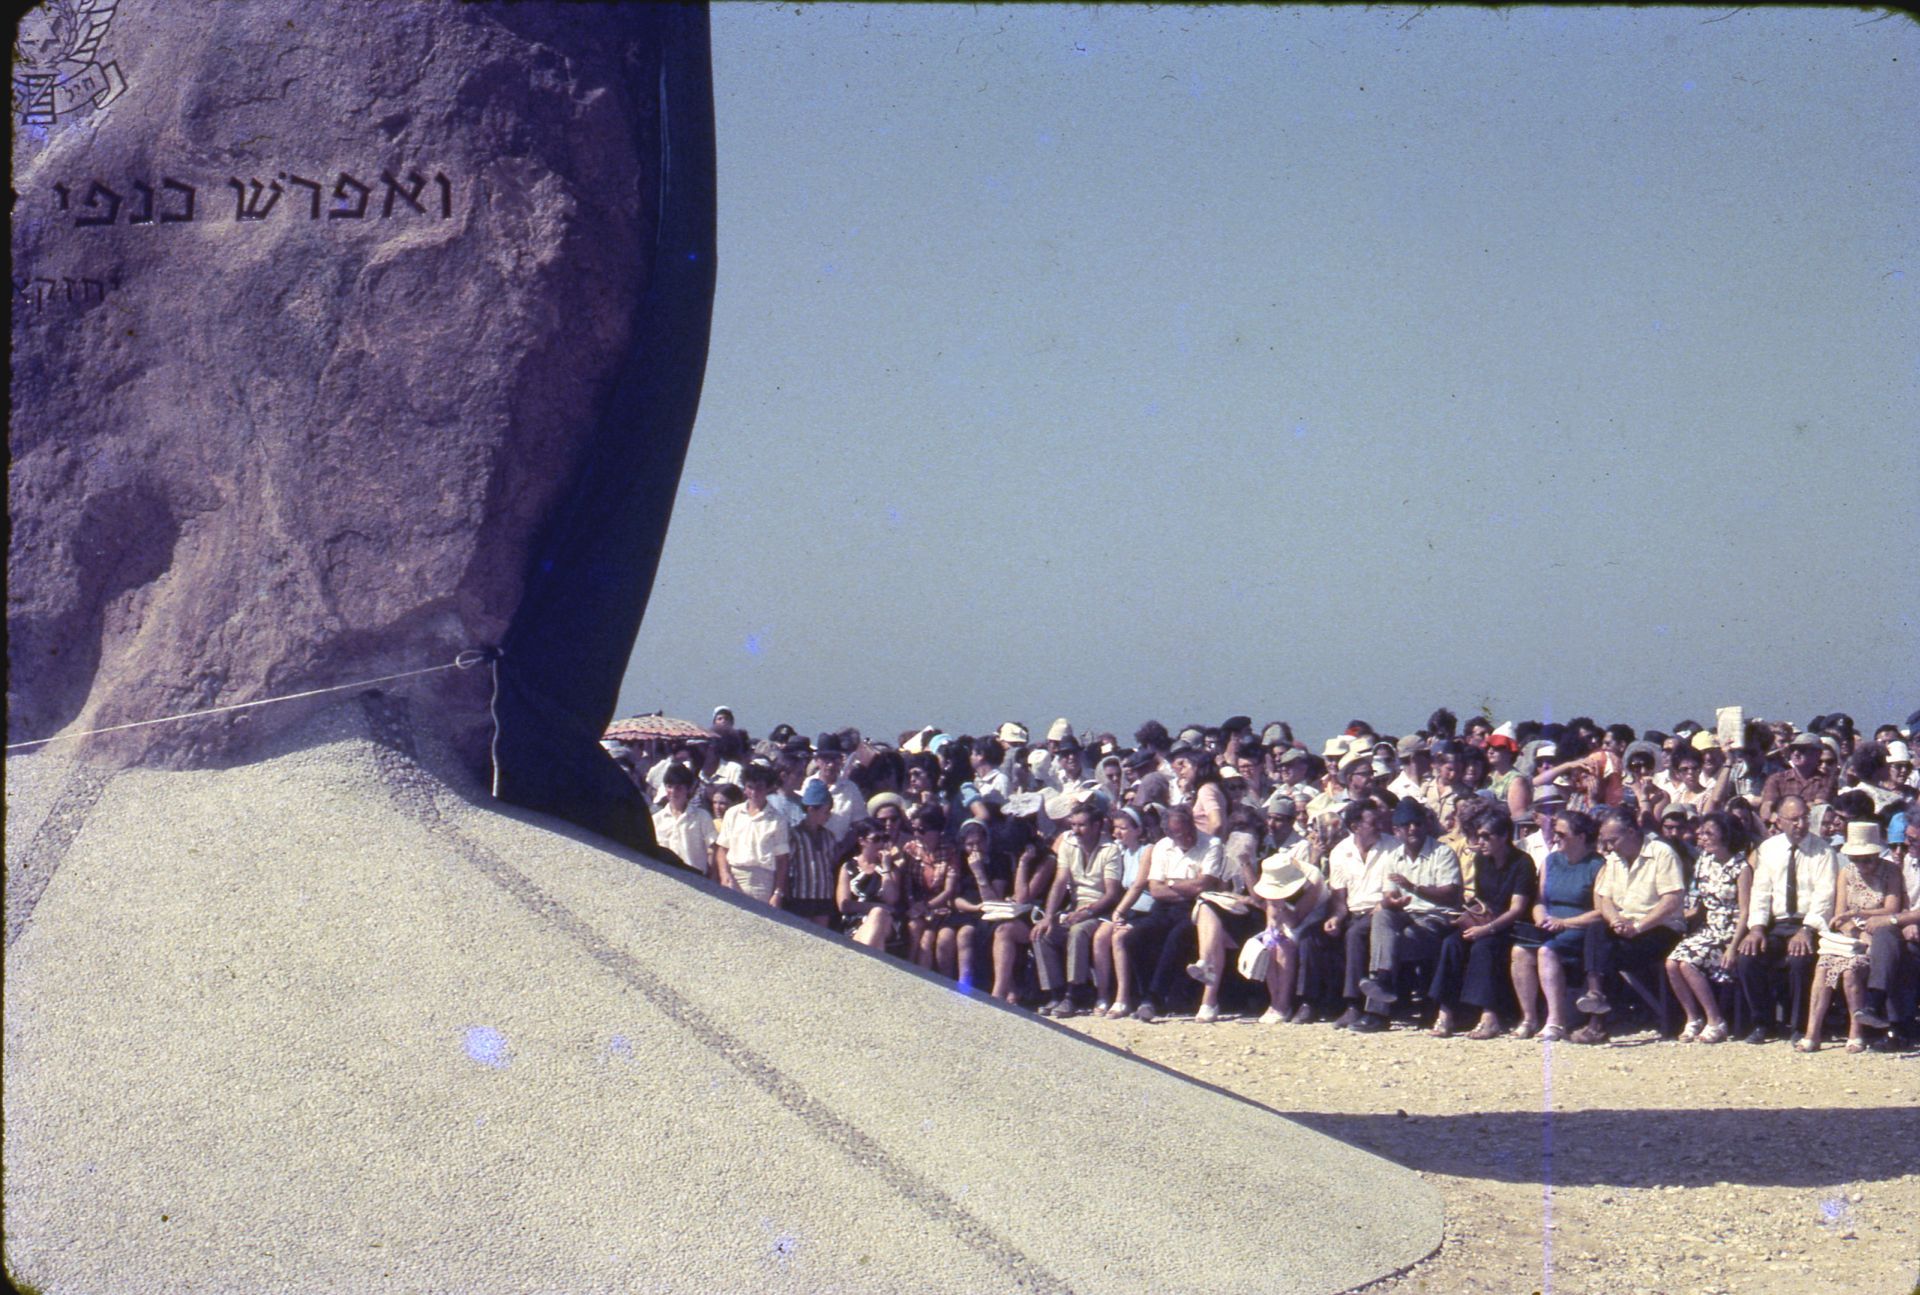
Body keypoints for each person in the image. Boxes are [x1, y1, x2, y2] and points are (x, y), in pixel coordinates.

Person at [1570, 809, 1687, 1044]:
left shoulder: (1662, 854)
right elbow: (1604, 898)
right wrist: (1615, 920)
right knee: (1596, 931)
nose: (1609, 847)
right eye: (1606, 841)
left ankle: (1597, 1020)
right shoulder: (1615, 859)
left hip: (1659, 928)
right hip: (1625, 925)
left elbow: (1671, 901)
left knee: (1604, 951)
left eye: (1613, 840)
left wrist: (1639, 926)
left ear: (1631, 832)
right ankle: (1596, 994)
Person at [1351, 800, 1463, 1033]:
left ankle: (1378, 1008)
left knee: (1402, 937)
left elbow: (1451, 894)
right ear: (1397, 830)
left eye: (1417, 823)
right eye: (1406, 825)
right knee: (1381, 918)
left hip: (1436, 918)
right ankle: (1382, 980)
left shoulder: (1442, 853)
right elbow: (1389, 893)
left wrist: (1414, 888)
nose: (1412, 829)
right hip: (1406, 913)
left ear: (1425, 826)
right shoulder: (1393, 857)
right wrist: (1391, 901)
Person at [1735, 795, 1839, 1043]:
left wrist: (1806, 930)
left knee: (1800, 959)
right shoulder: (1768, 850)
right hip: (1776, 924)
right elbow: (1761, 891)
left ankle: (1801, 1025)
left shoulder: (1823, 851)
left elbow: (1825, 895)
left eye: (1804, 818)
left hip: (1809, 923)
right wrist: (1757, 928)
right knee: (1748, 956)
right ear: (1779, 821)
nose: (1800, 824)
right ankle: (1763, 1022)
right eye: (1793, 819)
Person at [1429, 808, 1535, 1039]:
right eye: (1479, 836)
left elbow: (1517, 909)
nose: (1481, 842)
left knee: (1484, 947)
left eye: (1487, 836)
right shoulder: (1482, 860)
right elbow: (1481, 899)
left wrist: (1486, 929)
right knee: (1451, 943)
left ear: (1504, 836)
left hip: (1510, 925)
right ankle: (1446, 1012)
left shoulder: (1523, 863)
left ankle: (1490, 1015)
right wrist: (1466, 918)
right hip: (1486, 920)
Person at [1116, 804, 1225, 1022]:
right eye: (1179, 834)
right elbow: (1156, 890)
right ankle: (1147, 995)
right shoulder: (1162, 847)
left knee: (1178, 936)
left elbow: (1203, 886)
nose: (1186, 837)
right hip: (1166, 906)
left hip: (1198, 907)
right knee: (1133, 938)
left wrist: (1171, 883)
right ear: (1169, 833)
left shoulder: (1212, 844)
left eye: (1188, 831)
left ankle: (1153, 998)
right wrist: (1187, 886)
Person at [1802, 822, 1902, 1052]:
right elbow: (1840, 913)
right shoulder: (1846, 873)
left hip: (1878, 933)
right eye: (1856, 859)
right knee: (1824, 967)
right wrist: (1851, 929)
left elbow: (1892, 907)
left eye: (1867, 859)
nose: (1862, 865)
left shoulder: (1891, 871)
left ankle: (1856, 1031)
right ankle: (1812, 1031)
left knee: (1850, 971)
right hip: (1852, 935)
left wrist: (1860, 914)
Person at [1510, 810, 1607, 1041]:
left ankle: (1556, 1020)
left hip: (1580, 929)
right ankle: (1529, 1017)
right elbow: (1540, 900)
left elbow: (1601, 911)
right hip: (1550, 926)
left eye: (1562, 834)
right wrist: (1540, 917)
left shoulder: (1598, 865)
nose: (1555, 838)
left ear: (1581, 837)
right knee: (1520, 951)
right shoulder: (1550, 861)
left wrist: (1564, 923)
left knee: (1547, 951)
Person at [1028, 801, 1124, 1016]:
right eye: (1073, 825)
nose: (1076, 830)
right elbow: (1060, 882)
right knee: (1042, 933)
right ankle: (1055, 992)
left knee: (1078, 932)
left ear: (1097, 826)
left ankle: (1074, 993)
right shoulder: (1068, 845)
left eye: (1081, 826)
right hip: (1074, 906)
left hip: (1099, 910)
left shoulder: (1110, 850)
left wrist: (1087, 912)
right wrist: (1049, 916)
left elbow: (1111, 893)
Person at [1662, 810, 1750, 1043]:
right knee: (1672, 963)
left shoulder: (1741, 868)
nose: (1703, 838)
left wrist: (1733, 946)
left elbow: (1745, 911)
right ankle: (1693, 1017)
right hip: (1709, 927)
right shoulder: (1704, 861)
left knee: (1689, 963)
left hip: (1730, 931)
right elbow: (1700, 903)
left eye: (1709, 833)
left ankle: (1715, 1020)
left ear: (1725, 835)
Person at [1323, 800, 1396, 1028]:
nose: (1379, 826)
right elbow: (1339, 897)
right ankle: (1316, 1002)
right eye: (1373, 822)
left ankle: (1353, 1004)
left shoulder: (1392, 848)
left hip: (1383, 910)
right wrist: (1335, 918)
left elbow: (1391, 891)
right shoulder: (1340, 852)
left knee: (1355, 934)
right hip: (1354, 912)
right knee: (1319, 936)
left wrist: (1382, 905)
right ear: (1355, 826)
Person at [1093, 806, 1154, 1017]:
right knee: (1101, 936)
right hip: (1127, 908)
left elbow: (1138, 885)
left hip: (1145, 909)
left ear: (1138, 830)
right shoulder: (1122, 852)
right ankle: (1102, 996)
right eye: (1116, 827)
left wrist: (1118, 911)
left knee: (1119, 937)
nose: (1117, 832)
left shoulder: (1148, 850)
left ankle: (1122, 998)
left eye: (1123, 828)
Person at [713, 763, 791, 906]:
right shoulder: (733, 813)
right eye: (750, 787)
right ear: (745, 788)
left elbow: (782, 860)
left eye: (759, 787)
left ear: (768, 788)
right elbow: (722, 849)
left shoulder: (777, 819)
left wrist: (777, 893)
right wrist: (724, 875)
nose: (754, 792)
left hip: (761, 882)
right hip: (734, 875)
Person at [837, 819, 902, 949]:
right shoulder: (849, 867)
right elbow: (844, 905)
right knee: (877, 916)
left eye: (885, 838)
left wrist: (886, 868)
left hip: (886, 922)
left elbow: (891, 899)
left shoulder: (890, 868)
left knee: (879, 915)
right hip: (855, 922)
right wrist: (875, 906)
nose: (881, 843)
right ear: (862, 841)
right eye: (876, 839)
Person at [784, 778, 842, 927]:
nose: (828, 816)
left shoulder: (829, 837)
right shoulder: (794, 835)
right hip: (800, 896)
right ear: (811, 810)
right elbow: (785, 866)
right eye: (825, 812)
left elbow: (830, 863)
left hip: (823, 896)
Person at [651, 760, 716, 876]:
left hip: (696, 876)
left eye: (678, 788)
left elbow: (712, 849)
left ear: (688, 789)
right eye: (669, 787)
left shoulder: (702, 817)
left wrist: (710, 877)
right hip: (667, 877)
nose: (673, 792)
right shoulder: (656, 819)